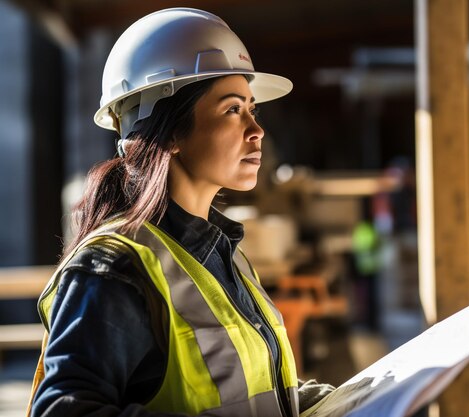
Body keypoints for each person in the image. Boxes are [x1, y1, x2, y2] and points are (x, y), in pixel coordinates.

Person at [27, 8, 333, 417]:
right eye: (231, 109)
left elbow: (250, 394)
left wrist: (349, 398)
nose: (256, 130)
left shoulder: (226, 257)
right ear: (169, 133)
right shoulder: (114, 269)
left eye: (252, 110)